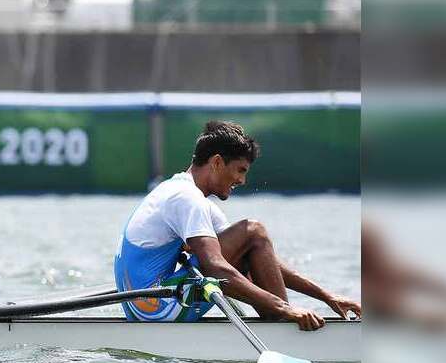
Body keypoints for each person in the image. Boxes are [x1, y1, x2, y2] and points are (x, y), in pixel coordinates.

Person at [114, 120, 361, 330]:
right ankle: (282, 325)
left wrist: (326, 296)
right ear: (217, 162)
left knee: (251, 241)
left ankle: (278, 319)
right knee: (253, 230)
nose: (242, 180)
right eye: (240, 170)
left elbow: (261, 258)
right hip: (157, 309)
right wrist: (284, 307)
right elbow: (215, 267)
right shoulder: (186, 198)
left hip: (148, 307)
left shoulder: (184, 194)